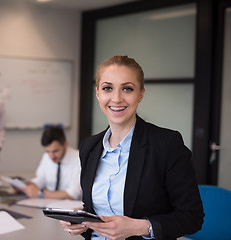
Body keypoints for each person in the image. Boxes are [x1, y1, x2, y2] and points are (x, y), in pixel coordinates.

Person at [60, 56, 204, 240]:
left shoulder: (166, 144)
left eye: (127, 89)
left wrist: (140, 227)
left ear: (141, 94)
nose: (117, 98)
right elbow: (95, 210)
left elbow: (192, 217)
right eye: (107, 88)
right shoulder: (90, 147)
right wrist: (81, 219)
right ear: (98, 93)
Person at [21, 125, 82, 200]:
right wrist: (25, 185)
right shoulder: (47, 156)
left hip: (71, 207)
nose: (51, 156)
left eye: (55, 151)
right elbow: (41, 179)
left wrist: (40, 193)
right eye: (47, 151)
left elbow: (73, 194)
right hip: (48, 203)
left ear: (65, 145)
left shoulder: (79, 159)